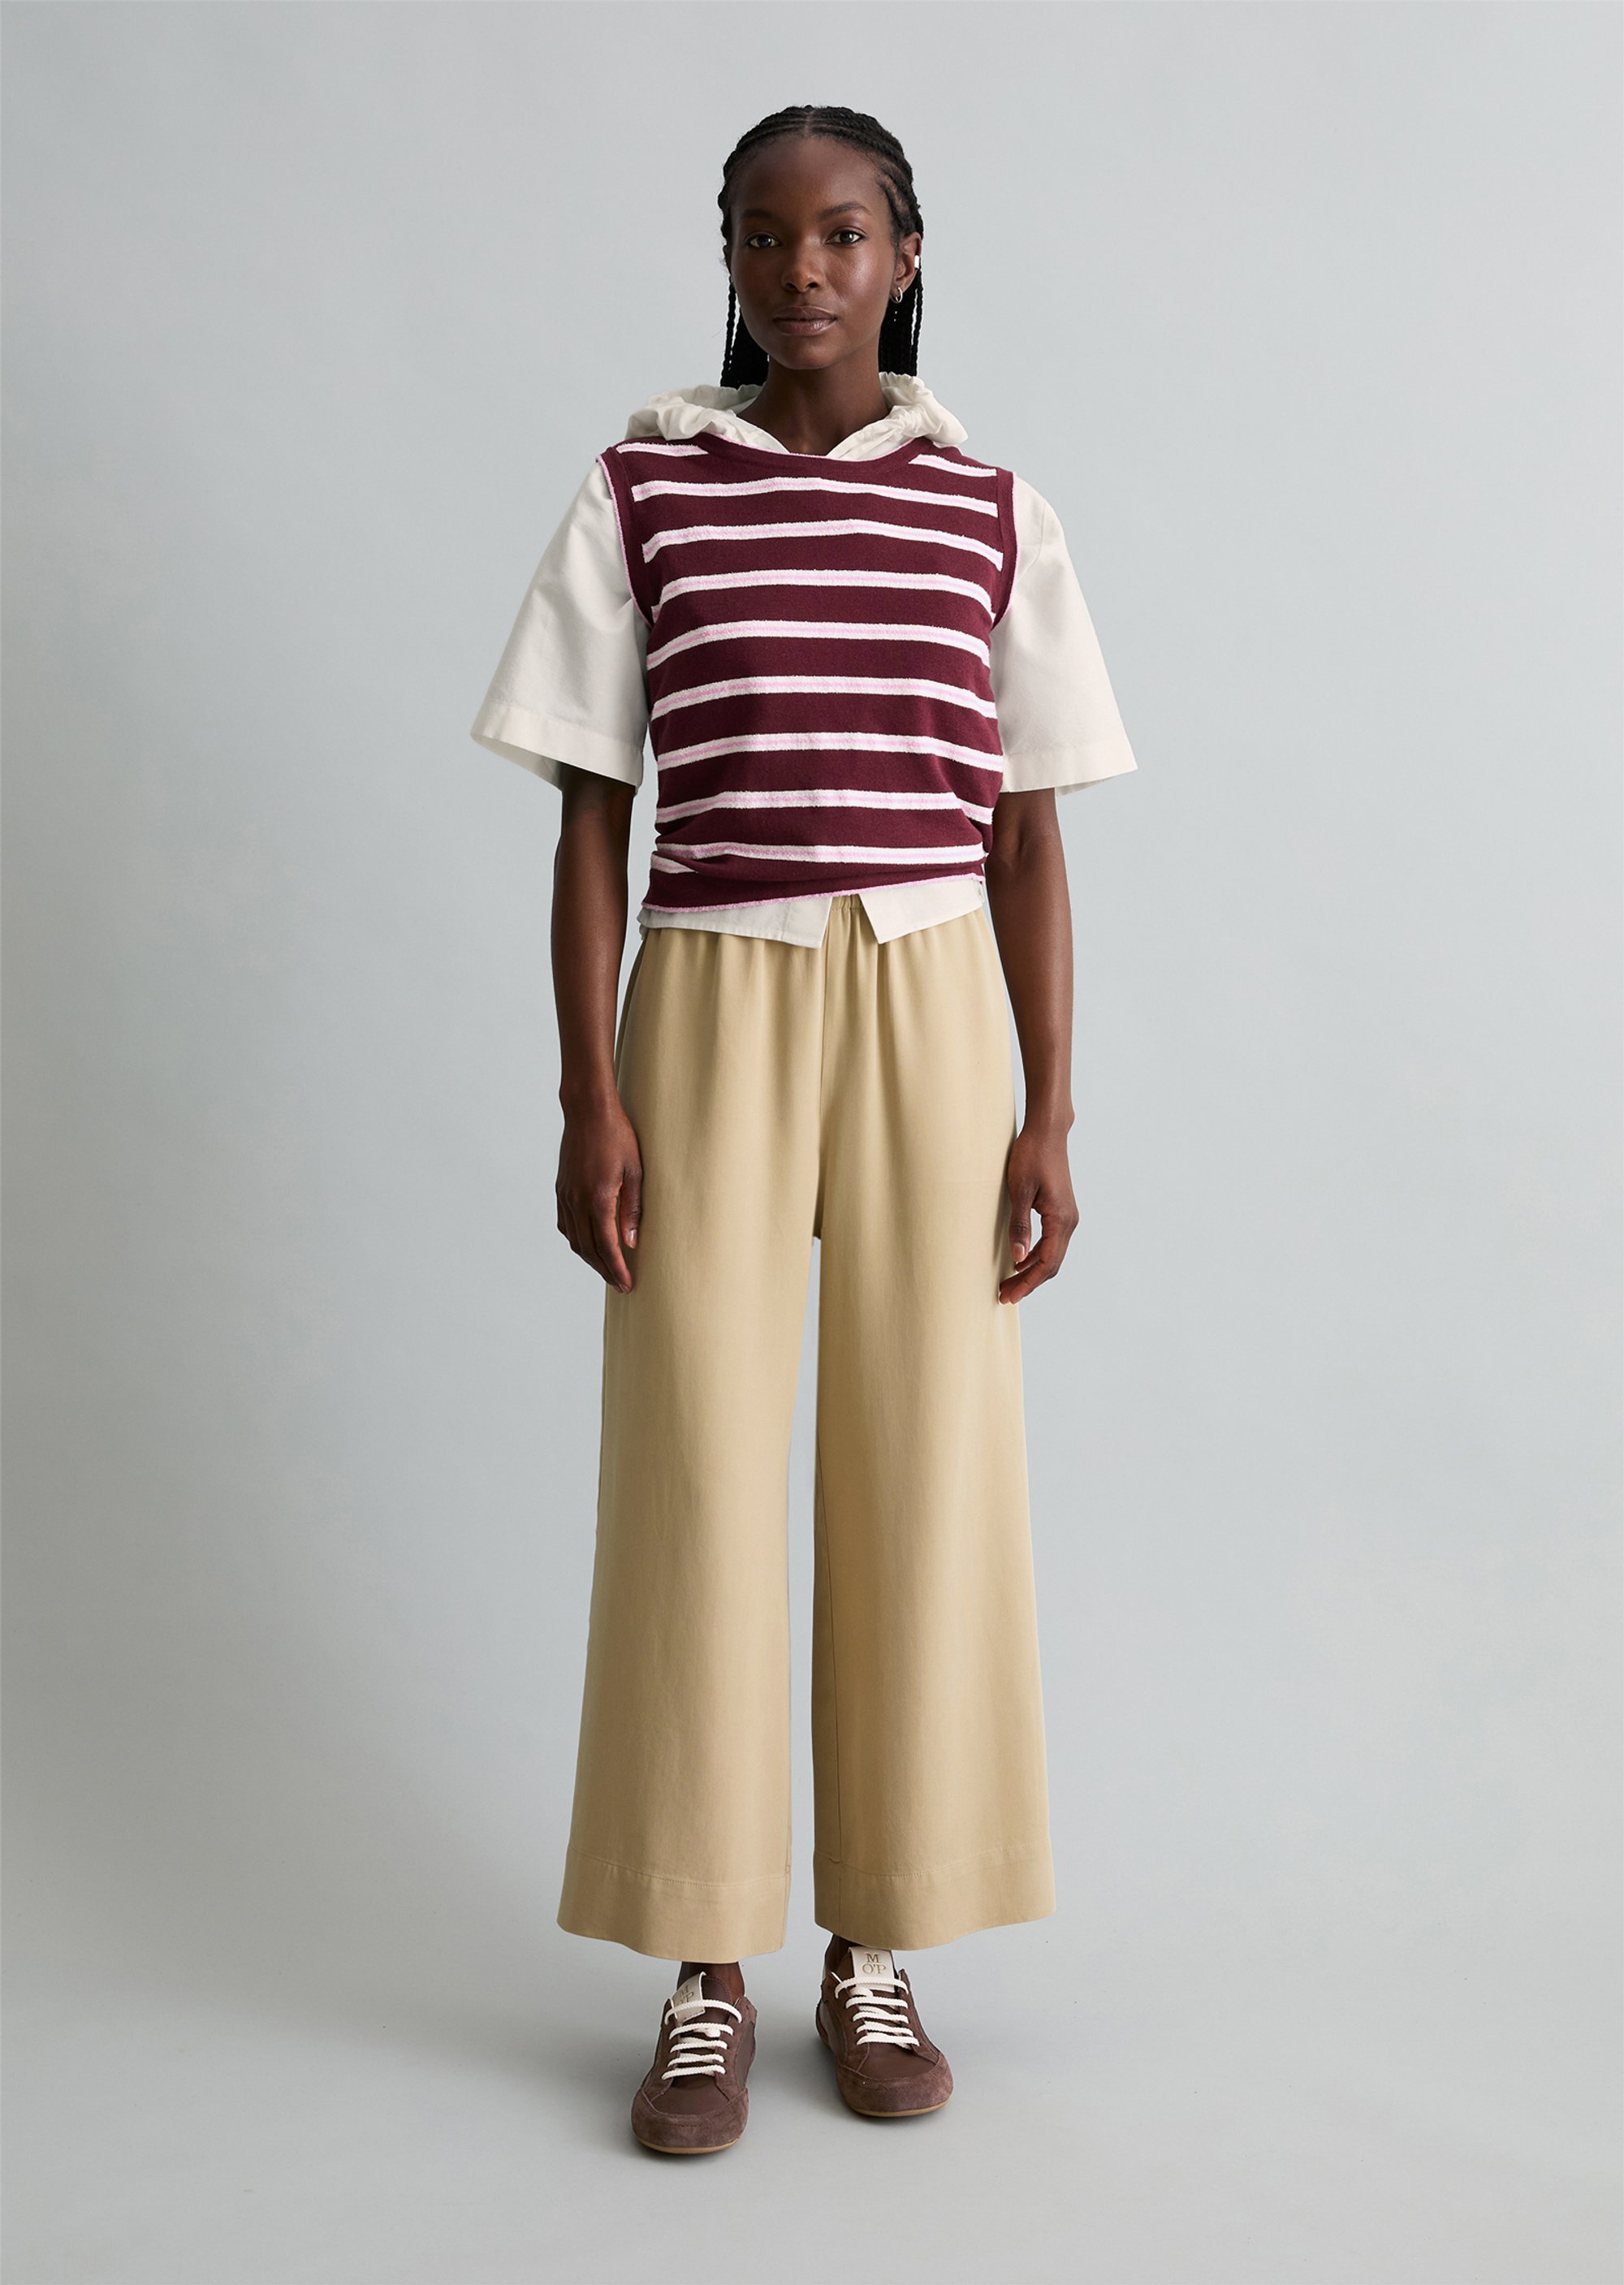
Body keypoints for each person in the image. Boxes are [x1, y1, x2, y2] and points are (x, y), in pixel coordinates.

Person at [469, 104, 1137, 2155]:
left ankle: (879, 1941)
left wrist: (1047, 1109)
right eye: (764, 237)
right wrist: (590, 1091)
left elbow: (1023, 837)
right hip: (714, 988)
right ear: (731, 261)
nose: (802, 271)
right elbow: (594, 819)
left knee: (927, 1455)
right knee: (693, 1461)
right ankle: (701, 1966)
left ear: (906, 253)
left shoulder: (992, 510)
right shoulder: (642, 492)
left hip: (931, 995)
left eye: (841, 233)